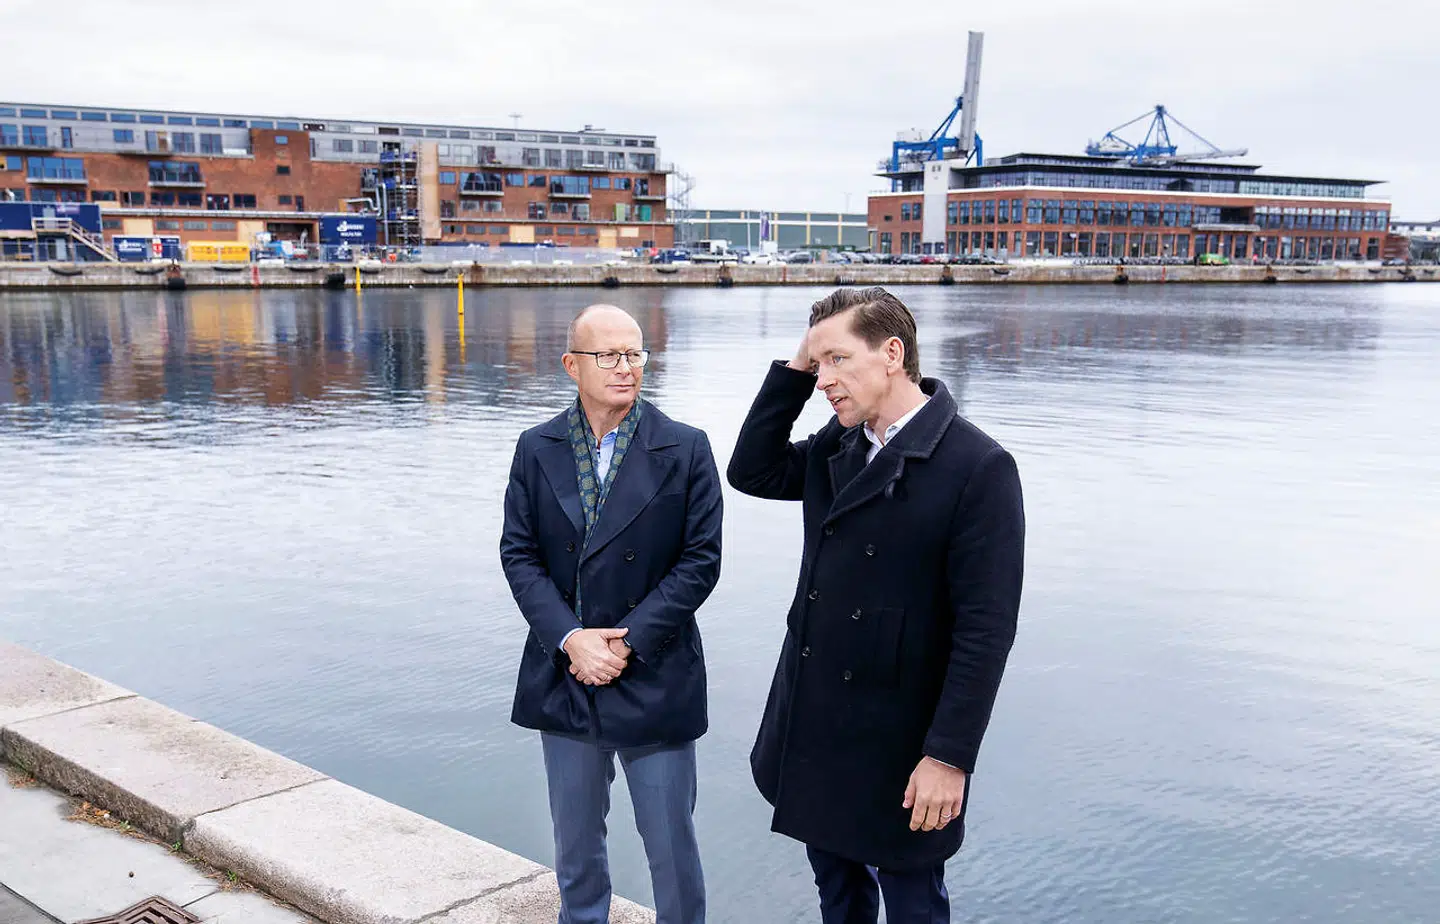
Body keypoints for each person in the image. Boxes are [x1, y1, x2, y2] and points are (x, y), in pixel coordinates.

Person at [727, 287, 1024, 924]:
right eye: (817, 365)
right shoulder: (837, 446)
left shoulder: (978, 466)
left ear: (892, 354)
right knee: (838, 896)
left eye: (837, 360)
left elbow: (986, 630)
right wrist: (798, 365)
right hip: (818, 717)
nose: (823, 380)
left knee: (914, 904)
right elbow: (751, 471)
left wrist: (948, 756)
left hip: (903, 736)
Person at [500, 304, 722, 924]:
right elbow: (518, 554)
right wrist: (571, 639)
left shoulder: (685, 448)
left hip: (653, 669)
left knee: (671, 847)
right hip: (567, 671)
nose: (627, 367)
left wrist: (625, 643)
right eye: (609, 356)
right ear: (572, 365)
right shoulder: (536, 446)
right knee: (575, 847)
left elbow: (701, 562)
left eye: (635, 354)